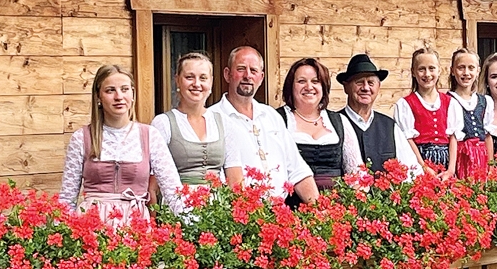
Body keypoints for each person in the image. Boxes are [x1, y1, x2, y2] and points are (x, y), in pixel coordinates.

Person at [60, 63, 183, 222]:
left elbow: (172, 189)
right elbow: (67, 197)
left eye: (124, 89)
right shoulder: (82, 138)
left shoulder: (149, 136)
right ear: (98, 96)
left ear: (132, 93)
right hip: (91, 226)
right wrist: (61, 236)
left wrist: (190, 228)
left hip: (135, 226)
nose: (119, 96)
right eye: (110, 90)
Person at [209, 46, 318, 204]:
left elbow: (297, 169)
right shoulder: (213, 118)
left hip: (279, 214)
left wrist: (319, 211)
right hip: (238, 216)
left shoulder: (271, 116)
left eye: (253, 71)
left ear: (261, 77)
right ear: (227, 74)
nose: (247, 75)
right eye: (241, 69)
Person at [278, 57, 363, 192]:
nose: (309, 87)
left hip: (335, 207)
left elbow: (356, 174)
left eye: (315, 81)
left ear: (323, 87)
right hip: (290, 207)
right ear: (290, 86)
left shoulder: (339, 122)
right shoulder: (278, 120)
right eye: (301, 81)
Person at [336, 53, 422, 177]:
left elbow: (411, 170)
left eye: (371, 83)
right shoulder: (334, 123)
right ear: (346, 87)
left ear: (378, 87)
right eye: (359, 82)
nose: (366, 88)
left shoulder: (390, 126)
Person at [151, 51, 229, 185]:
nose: (197, 84)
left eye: (203, 78)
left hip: (219, 202)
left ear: (211, 81)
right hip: (179, 200)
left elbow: (235, 176)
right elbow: (154, 180)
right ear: (177, 80)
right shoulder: (163, 123)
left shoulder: (223, 122)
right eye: (189, 77)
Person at [394, 47, 460, 177]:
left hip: (446, 163)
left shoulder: (450, 102)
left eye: (432, 68)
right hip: (419, 160)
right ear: (413, 72)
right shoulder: (406, 104)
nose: (427, 74)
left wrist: (451, 170)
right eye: (421, 69)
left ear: (439, 70)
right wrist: (423, 167)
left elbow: (453, 138)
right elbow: (408, 139)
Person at [448, 48, 494, 178]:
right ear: (452, 71)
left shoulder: (485, 101)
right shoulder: (448, 100)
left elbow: (487, 136)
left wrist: (491, 167)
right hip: (461, 156)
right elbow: (452, 137)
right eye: (461, 68)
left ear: (478, 71)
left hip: (482, 157)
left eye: (471, 68)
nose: (466, 73)